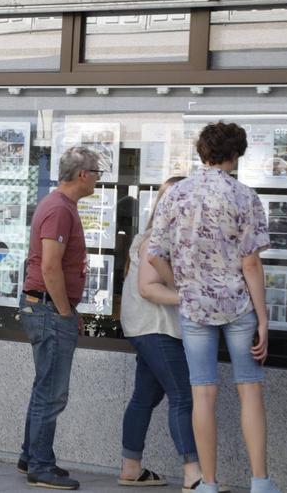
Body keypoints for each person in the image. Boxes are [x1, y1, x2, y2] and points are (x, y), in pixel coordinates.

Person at [147, 123, 280, 493]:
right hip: (238, 306)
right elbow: (251, 264)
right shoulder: (244, 196)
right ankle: (260, 481)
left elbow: (154, 254)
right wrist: (264, 320)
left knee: (202, 393)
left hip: (194, 309)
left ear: (202, 152)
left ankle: (207, 482)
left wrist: (184, 284)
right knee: (249, 389)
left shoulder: (176, 195)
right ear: (236, 155)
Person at [18, 145, 102, 490]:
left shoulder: (61, 206)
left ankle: (31, 456)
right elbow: (50, 266)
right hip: (48, 310)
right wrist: (65, 311)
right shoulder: (59, 209)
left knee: (45, 386)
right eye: (97, 173)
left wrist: (69, 308)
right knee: (51, 392)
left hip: (49, 307)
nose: (99, 179)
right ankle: (40, 464)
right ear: (83, 175)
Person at [118, 176, 202, 488]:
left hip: (145, 328)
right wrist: (190, 297)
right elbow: (149, 288)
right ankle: (193, 474)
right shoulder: (158, 238)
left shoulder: (152, 234)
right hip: (157, 329)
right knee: (183, 396)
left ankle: (131, 467)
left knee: (144, 396)